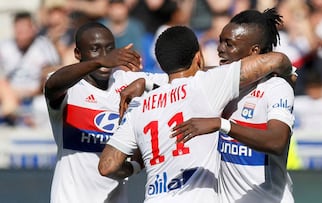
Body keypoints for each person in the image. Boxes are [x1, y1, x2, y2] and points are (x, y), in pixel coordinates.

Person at [98, 25, 292, 203]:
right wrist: (289, 72)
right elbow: (276, 60)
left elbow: (107, 166)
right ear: (198, 57)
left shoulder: (140, 105)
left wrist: (135, 167)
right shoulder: (206, 85)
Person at [170, 8, 296, 202]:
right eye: (220, 41)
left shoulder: (276, 87)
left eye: (229, 44)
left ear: (254, 51)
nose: (220, 49)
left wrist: (222, 125)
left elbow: (277, 142)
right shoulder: (220, 86)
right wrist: (146, 82)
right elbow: (184, 80)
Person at [44, 22, 166, 203]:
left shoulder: (129, 82)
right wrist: (99, 62)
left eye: (109, 49)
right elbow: (52, 85)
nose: (104, 55)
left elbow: (183, 80)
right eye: (95, 49)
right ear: (78, 54)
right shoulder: (70, 88)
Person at [0, 11, 60, 127]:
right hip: (9, 92)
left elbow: (54, 71)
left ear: (33, 29)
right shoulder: (5, 46)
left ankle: (14, 114)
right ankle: (12, 112)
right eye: (18, 30)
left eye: (24, 30)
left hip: (35, 94)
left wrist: (37, 87)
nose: (21, 34)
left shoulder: (43, 46)